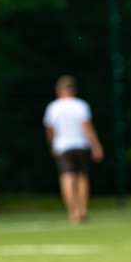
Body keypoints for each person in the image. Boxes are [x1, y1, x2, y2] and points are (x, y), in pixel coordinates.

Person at [43, 75, 103, 225]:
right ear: (74, 90)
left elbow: (50, 130)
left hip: (62, 146)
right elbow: (87, 128)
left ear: (58, 90)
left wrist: (52, 145)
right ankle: (82, 210)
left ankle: (73, 212)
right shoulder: (81, 105)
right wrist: (96, 145)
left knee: (67, 177)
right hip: (80, 145)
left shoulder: (53, 107)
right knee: (82, 177)